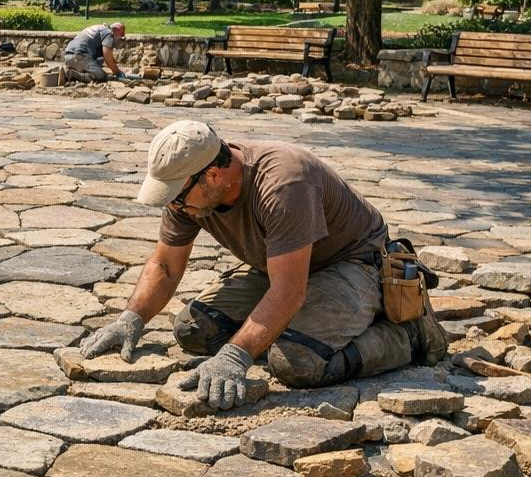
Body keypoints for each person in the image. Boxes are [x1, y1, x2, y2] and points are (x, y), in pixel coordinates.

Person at [80, 120, 449, 410]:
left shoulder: (284, 183)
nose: (173, 207)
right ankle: (298, 330)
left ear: (213, 176)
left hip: (353, 262)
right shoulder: (189, 196)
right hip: (282, 265)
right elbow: (165, 265)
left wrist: (235, 356)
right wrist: (132, 319)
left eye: (177, 197)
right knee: (195, 329)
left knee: (299, 362)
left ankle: (409, 336)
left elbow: (289, 290)